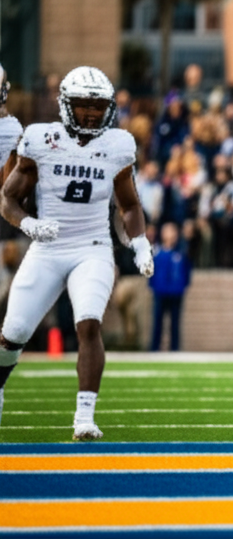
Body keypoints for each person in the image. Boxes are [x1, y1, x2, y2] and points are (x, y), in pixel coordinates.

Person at [0, 66, 153, 440]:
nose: (89, 113)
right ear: (65, 104)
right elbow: (8, 197)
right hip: (48, 246)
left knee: (88, 322)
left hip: (93, 246)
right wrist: (29, 225)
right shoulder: (40, 139)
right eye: (82, 105)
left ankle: (84, 417)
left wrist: (140, 242)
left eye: (97, 106)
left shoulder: (117, 145)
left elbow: (129, 205)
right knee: (13, 333)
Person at [149, 222, 191, 352]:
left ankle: (175, 349)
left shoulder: (181, 252)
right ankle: (154, 348)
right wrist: (153, 286)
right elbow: (151, 271)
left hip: (176, 293)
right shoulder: (157, 252)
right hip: (160, 292)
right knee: (157, 322)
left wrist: (182, 286)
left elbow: (187, 271)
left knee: (175, 324)